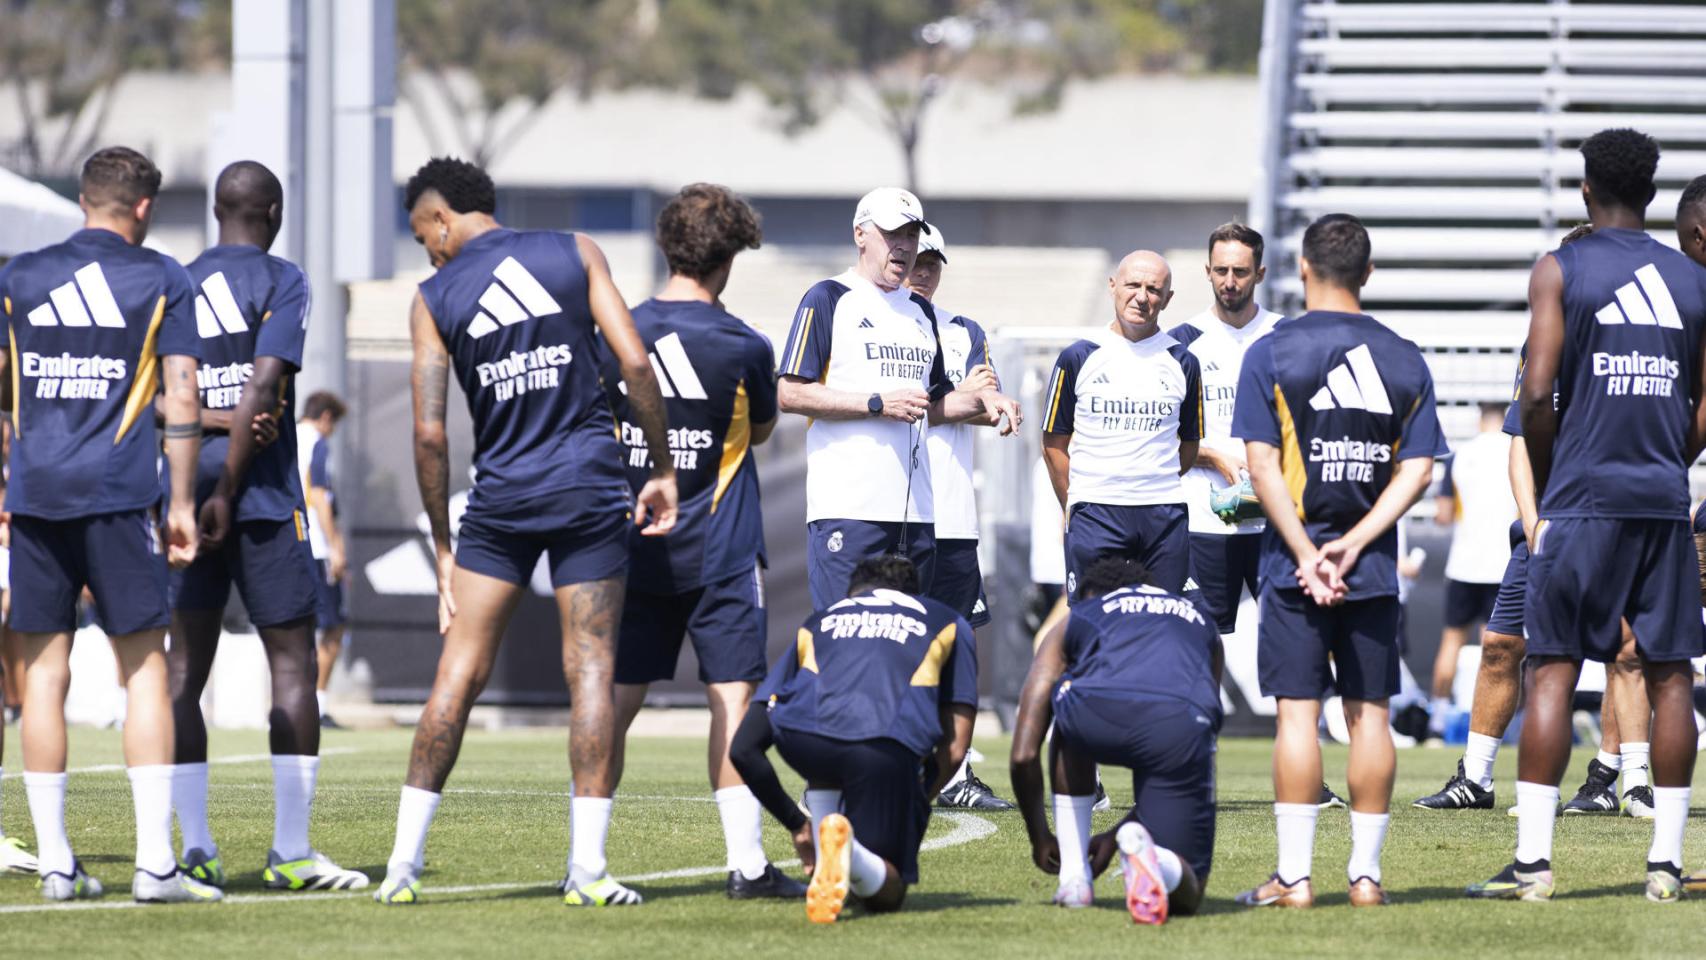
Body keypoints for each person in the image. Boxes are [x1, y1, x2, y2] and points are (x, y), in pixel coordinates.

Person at [375, 157, 678, 907]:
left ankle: (401, 870)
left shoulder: (434, 297)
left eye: (423, 236)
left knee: (458, 674)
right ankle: (589, 871)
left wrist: (444, 546)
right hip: (587, 488)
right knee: (593, 672)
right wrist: (662, 467)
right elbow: (636, 362)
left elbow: (429, 434)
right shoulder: (576, 252)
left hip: (501, 503)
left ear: (442, 218)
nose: (427, 251)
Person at [1467, 128, 1706, 904]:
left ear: (1583, 189)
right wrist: (1671, 453)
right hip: (1665, 502)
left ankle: (1534, 865)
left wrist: (1552, 465)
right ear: (1651, 191)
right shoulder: (1694, 279)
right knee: (1671, 679)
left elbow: (1535, 394)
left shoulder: (1561, 267)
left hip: (1581, 500)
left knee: (1552, 672)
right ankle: (1665, 865)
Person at [0, 146, 218, 903]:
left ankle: (58, 863)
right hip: (121, 498)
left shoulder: (19, 277)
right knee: (145, 671)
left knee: (42, 679)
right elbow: (183, 398)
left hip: (34, 499)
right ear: (145, 208)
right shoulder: (162, 277)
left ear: (84, 198)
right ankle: (157, 866)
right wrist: (183, 504)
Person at [1230, 213, 1447, 909]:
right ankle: (1366, 878)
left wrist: (1305, 551)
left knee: (1298, 717)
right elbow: (1418, 472)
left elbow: (1260, 467)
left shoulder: (1271, 350)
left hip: (1291, 568)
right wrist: (1354, 545)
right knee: (1370, 718)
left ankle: (1294, 879)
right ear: (1368, 273)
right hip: (1373, 567)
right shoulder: (1405, 356)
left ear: (1300, 269)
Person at [162, 161, 367, 894]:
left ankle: (195, 849)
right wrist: (231, 476)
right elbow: (263, 389)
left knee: (182, 673)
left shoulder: (174, 279)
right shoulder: (284, 279)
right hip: (260, 500)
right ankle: (291, 851)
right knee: (291, 665)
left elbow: (147, 401)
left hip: (181, 497)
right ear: (273, 211)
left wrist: (201, 428)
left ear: (218, 210)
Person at [601, 183, 802, 900]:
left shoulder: (618, 329)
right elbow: (766, 431)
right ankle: (746, 865)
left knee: (611, 705)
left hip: (631, 547)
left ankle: (585, 860)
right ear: (733, 257)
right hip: (720, 551)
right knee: (733, 704)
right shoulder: (746, 346)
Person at [1414, 330, 1651, 817]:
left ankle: (1611, 780)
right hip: (1546, 526)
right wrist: (1533, 523)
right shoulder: (1543, 342)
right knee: (1500, 644)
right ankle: (1476, 778)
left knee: (1622, 652)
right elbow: (1520, 438)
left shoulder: (1636, 339)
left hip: (1616, 519)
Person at [776, 188, 1019, 609]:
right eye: (892, 234)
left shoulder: (921, 314)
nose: (903, 246)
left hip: (919, 516)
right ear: (860, 235)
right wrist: (875, 403)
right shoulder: (829, 297)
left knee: (912, 643)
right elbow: (790, 392)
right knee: (844, 636)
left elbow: (936, 408)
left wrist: (986, 400)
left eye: (911, 234)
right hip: (849, 508)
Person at [746, 554, 976, 923]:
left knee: (825, 737)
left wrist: (796, 823)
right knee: (887, 894)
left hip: (801, 740)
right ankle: (846, 853)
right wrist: (917, 797)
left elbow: (743, 749)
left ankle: (826, 854)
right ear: (913, 594)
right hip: (880, 744)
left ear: (854, 593)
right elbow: (957, 742)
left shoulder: (821, 620)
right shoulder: (948, 620)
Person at [1009, 555, 1219, 924]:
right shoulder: (1199, 618)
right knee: (1188, 890)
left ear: (1092, 594)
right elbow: (1202, 728)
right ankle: (1158, 862)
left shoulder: (1082, 613)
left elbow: (1025, 753)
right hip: (1179, 723)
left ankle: (1074, 877)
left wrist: (1041, 837)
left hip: (1095, 713)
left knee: (1067, 710)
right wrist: (1125, 831)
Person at [903, 226, 1013, 812]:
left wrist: (949, 402)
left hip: (952, 512)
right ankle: (887, 761)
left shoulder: (964, 328)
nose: (922, 271)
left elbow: (981, 402)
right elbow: (903, 405)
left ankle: (955, 770)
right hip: (893, 510)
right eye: (914, 260)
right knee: (895, 643)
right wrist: (954, 399)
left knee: (958, 646)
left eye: (932, 262)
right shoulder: (877, 320)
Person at [1042, 250, 1203, 597]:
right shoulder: (1078, 357)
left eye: (1154, 289)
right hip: (1096, 512)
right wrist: (1075, 503)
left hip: (1164, 514)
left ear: (1168, 298)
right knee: (1095, 624)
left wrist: (1154, 479)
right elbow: (1053, 444)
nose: (1142, 297)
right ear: (1113, 286)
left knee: (1164, 622)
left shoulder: (1183, 361)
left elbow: (1189, 445)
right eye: (1133, 285)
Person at [1167, 223, 1283, 633]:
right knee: (1200, 642)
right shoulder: (1179, 343)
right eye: (1221, 271)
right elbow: (1161, 435)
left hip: (1278, 523)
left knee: (1290, 642)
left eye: (1240, 272)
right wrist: (1214, 456)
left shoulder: (1286, 336)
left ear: (1261, 274)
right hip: (1203, 521)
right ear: (1207, 271)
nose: (1229, 282)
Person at [1425, 403, 1517, 740]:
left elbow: (1444, 515)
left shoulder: (1459, 456)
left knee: (1451, 642)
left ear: (1480, 419)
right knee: (1496, 647)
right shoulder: (1515, 452)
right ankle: (1491, 726)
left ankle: (1436, 719)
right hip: (1503, 562)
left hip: (1464, 562)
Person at [295, 391, 349, 728]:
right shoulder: (316, 441)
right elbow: (318, 496)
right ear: (326, 417)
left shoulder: (287, 436)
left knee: (295, 628)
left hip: (289, 544)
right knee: (332, 627)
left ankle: (293, 703)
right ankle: (316, 705)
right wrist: (336, 547)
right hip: (315, 546)